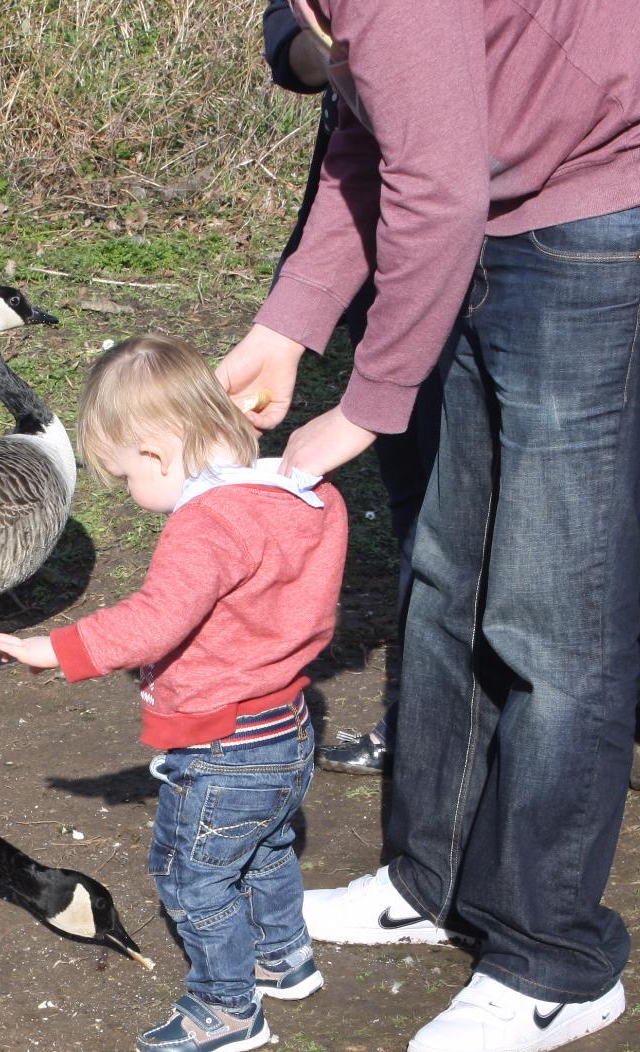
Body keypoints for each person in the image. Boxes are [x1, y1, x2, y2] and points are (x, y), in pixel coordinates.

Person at [218, 0, 640, 1052]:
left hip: (630, 190)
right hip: (505, 184)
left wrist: (366, 402)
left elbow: (434, 186)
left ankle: (554, 963)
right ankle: (435, 883)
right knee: (450, 566)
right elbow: (371, 125)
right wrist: (288, 322)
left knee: (553, 602)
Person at [0, 334, 348, 1052]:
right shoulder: (301, 493)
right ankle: (283, 958)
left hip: (223, 740)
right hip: (287, 724)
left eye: (124, 479)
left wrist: (57, 650)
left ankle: (226, 1006)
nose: (130, 496)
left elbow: (157, 617)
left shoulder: (207, 524)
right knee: (266, 844)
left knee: (193, 873)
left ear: (155, 452)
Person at [262, 0, 440, 778]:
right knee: (421, 486)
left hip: (542, 213)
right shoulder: (360, 51)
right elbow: (287, 45)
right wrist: (339, 54)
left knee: (513, 516)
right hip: (385, 189)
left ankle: (469, 726)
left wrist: (367, 402)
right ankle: (431, 716)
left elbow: (441, 189)